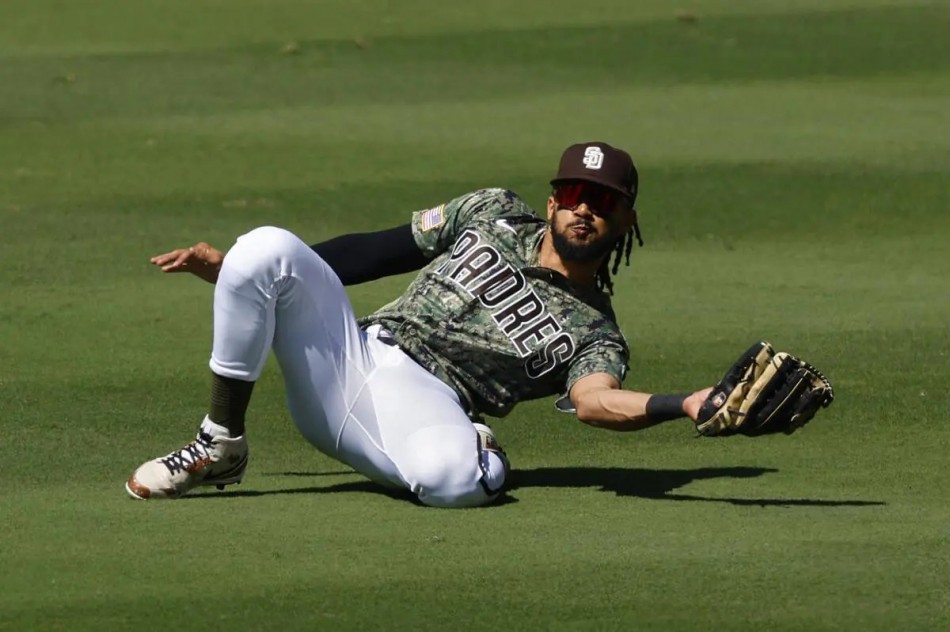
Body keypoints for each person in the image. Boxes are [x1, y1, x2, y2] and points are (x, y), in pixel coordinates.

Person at [126, 141, 713, 508]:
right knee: (262, 247)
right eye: (576, 192)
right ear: (553, 201)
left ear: (626, 220)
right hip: (351, 352)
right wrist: (241, 275)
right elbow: (377, 252)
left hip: (427, 406)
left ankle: (473, 450)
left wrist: (682, 404)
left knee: (452, 484)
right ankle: (221, 443)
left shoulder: (595, 332)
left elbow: (594, 402)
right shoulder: (492, 210)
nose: (585, 208)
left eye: (603, 201)